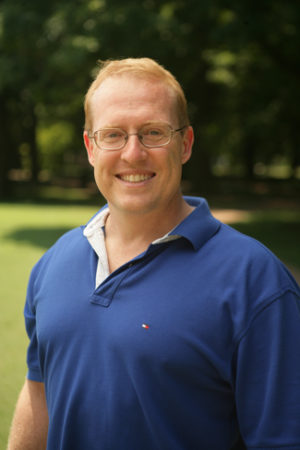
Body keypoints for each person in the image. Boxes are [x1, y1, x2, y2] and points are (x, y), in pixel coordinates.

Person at [7, 57, 300, 450]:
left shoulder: (255, 280)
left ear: (186, 144)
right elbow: (38, 394)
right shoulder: (53, 264)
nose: (133, 153)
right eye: (113, 134)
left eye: (153, 132)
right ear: (90, 147)